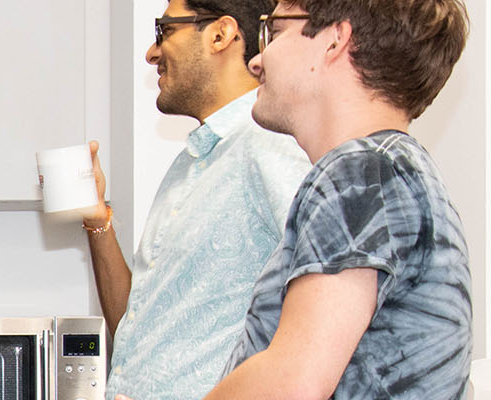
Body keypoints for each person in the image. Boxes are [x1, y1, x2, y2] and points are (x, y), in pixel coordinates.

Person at [199, 0, 471, 397]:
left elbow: (291, 382)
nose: (256, 61)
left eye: (273, 33)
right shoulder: (396, 171)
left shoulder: (363, 174)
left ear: (334, 41)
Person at [79, 0, 310, 398]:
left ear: (221, 34)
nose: (152, 53)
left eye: (165, 31)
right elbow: (133, 336)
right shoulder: (191, 163)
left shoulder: (272, 148)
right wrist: (97, 220)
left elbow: (323, 326)